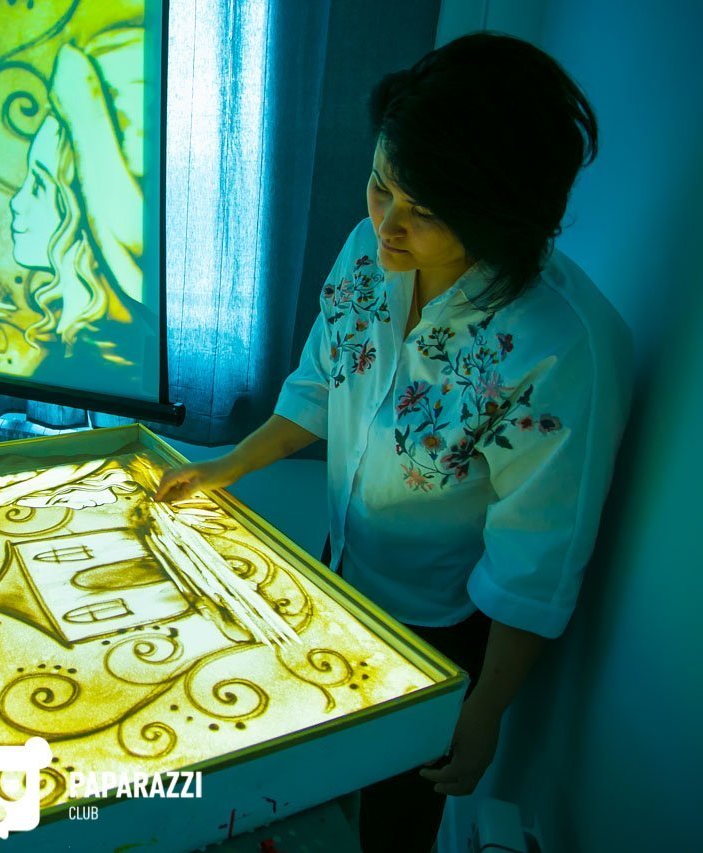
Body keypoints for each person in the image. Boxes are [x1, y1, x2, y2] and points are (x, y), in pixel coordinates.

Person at [155, 33, 631, 853]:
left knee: (394, 819)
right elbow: (322, 380)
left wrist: (483, 709)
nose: (386, 224)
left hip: (440, 623)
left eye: (424, 212)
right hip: (341, 565)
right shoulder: (370, 250)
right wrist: (225, 467)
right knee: (313, 772)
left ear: (499, 217)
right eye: (381, 184)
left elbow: (535, 558)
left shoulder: (562, 348)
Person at [7, 26, 156, 384]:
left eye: (40, 185)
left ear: (87, 212)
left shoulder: (84, 369)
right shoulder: (104, 353)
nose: (16, 202)